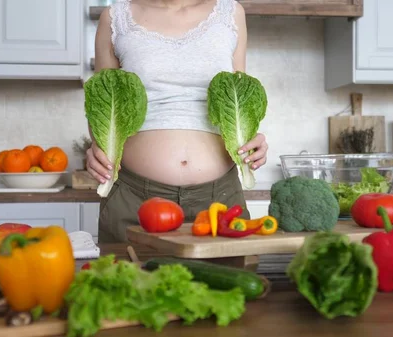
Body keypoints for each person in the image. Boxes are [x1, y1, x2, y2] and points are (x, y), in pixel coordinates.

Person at [86, 0, 269, 243]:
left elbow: (239, 94)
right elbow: (102, 99)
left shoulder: (231, 13)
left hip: (220, 202)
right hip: (134, 200)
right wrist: (97, 147)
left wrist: (252, 139)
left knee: (231, 281)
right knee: (127, 281)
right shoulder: (115, 17)